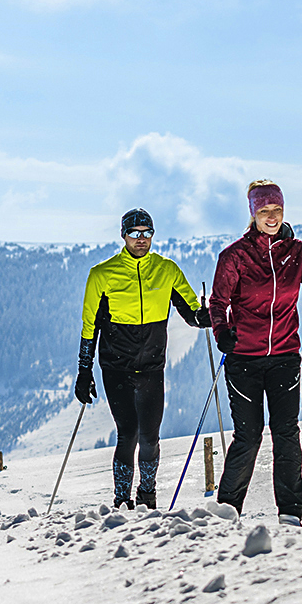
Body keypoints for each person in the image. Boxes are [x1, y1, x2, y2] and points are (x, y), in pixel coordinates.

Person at [206, 181, 302, 525]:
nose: (271, 216)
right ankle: (227, 510)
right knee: (249, 436)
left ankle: (291, 514)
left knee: (286, 434)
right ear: (253, 214)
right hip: (243, 361)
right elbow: (217, 302)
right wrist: (222, 332)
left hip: (285, 357)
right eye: (264, 211)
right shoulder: (235, 256)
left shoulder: (297, 253)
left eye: (277, 210)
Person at [75, 208, 206, 509]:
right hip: (116, 367)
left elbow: (192, 313)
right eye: (135, 233)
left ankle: (148, 499)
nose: (141, 239)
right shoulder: (102, 274)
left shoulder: (167, 270)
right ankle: (123, 501)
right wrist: (84, 370)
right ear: (123, 235)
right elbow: (89, 326)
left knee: (150, 436)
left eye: (147, 233)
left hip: (151, 366)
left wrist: (209, 317)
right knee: (128, 433)